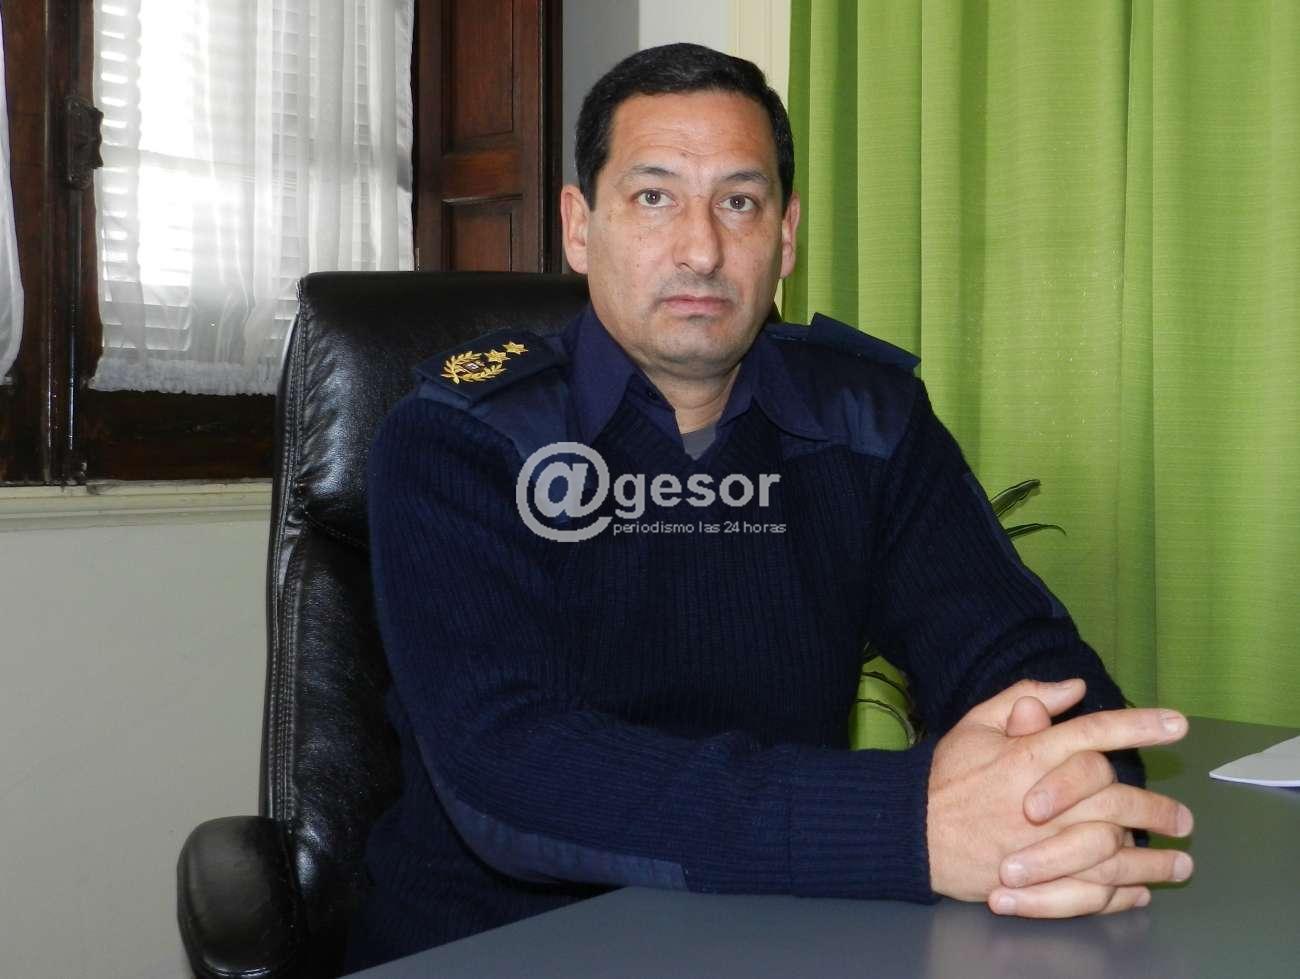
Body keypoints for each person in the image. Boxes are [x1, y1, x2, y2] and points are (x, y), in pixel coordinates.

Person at [343, 43, 1194, 970]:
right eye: (654, 196)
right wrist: (904, 825)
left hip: (785, 933)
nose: (701, 248)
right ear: (580, 227)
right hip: (500, 945)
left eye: (739, 202)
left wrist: (1058, 797)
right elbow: (507, 766)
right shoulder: (460, 440)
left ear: (785, 237)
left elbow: (1019, 655)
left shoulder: (865, 420)